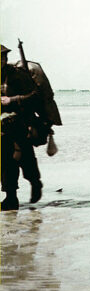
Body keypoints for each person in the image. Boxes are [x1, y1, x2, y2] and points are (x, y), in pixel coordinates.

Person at [1, 44, 43, 211]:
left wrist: (12, 100)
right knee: (5, 162)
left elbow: (35, 96)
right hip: (2, 129)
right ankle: (11, 197)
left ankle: (35, 183)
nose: (1, 60)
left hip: (20, 125)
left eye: (3, 57)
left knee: (26, 160)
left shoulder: (18, 75)